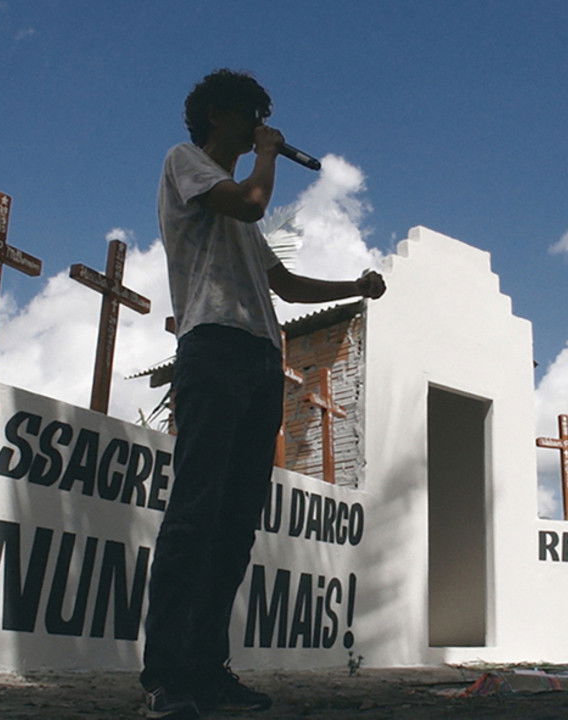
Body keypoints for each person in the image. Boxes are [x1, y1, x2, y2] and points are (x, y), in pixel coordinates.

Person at [139, 69, 386, 719]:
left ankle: (207, 668)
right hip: (212, 346)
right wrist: (271, 156)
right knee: (195, 513)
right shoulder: (186, 163)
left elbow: (288, 287)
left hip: (258, 356)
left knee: (235, 523)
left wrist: (354, 285)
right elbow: (251, 202)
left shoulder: (241, 212)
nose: (258, 127)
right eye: (251, 114)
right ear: (218, 115)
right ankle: (166, 677)